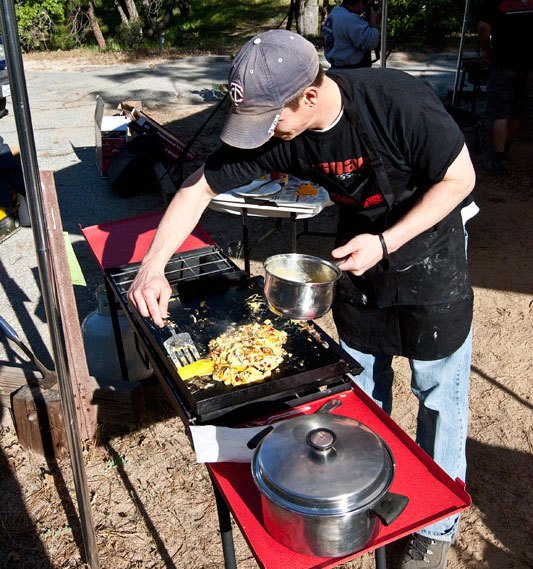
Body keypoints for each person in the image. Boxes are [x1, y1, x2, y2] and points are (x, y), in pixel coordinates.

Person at [128, 30, 477, 569]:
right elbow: (198, 187)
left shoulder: (397, 102)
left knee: (436, 393)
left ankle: (440, 523)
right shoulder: (275, 129)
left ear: (309, 96)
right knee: (359, 385)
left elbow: (460, 179)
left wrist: (388, 241)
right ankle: (359, 487)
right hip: (356, 256)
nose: (263, 135)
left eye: (272, 119)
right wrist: (153, 265)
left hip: (431, 252)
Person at [477, 0, 533, 174]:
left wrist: (485, 49)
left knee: (499, 111)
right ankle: (505, 148)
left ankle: (499, 159)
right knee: (518, 110)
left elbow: (483, 28)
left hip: (503, 61)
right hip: (530, 64)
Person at [323, 0, 381, 69]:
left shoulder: (335, 12)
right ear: (359, 3)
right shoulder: (350, 19)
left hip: (336, 67)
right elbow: (372, 43)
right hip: (350, 71)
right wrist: (373, 20)